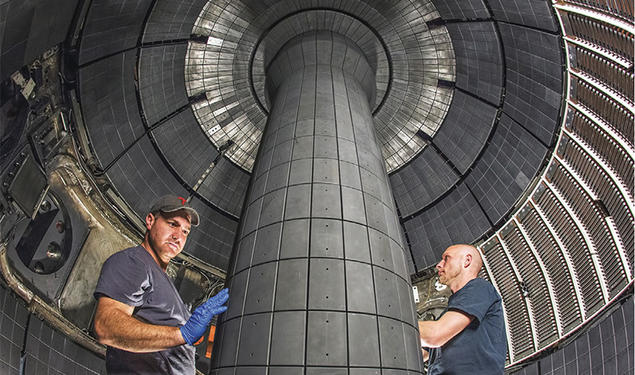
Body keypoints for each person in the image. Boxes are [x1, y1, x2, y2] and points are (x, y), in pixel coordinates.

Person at [93, 195, 229, 374]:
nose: (178, 236)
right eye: (173, 224)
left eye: (185, 231)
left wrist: (189, 340)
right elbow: (106, 326)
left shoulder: (162, 279)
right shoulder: (135, 262)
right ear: (150, 221)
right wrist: (182, 335)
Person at [419, 244, 507, 374]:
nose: (439, 264)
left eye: (446, 258)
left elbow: (435, 334)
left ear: (467, 261)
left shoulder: (479, 288)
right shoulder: (446, 315)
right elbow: (421, 352)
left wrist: (391, 323)